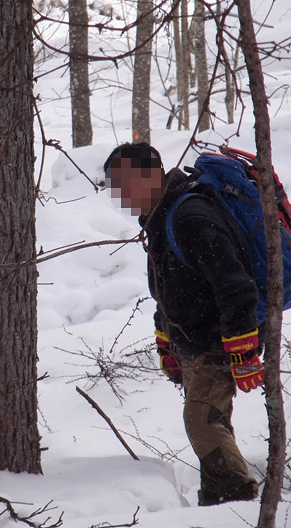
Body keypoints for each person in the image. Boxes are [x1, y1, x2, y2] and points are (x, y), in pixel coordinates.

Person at [104, 142, 264, 506]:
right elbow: (169, 288)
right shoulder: (161, 216)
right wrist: (167, 341)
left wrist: (243, 349)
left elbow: (235, 286)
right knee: (211, 422)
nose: (119, 196)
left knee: (202, 422)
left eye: (122, 185)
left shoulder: (190, 216)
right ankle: (216, 498)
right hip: (193, 341)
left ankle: (235, 501)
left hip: (217, 341)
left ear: (148, 177)